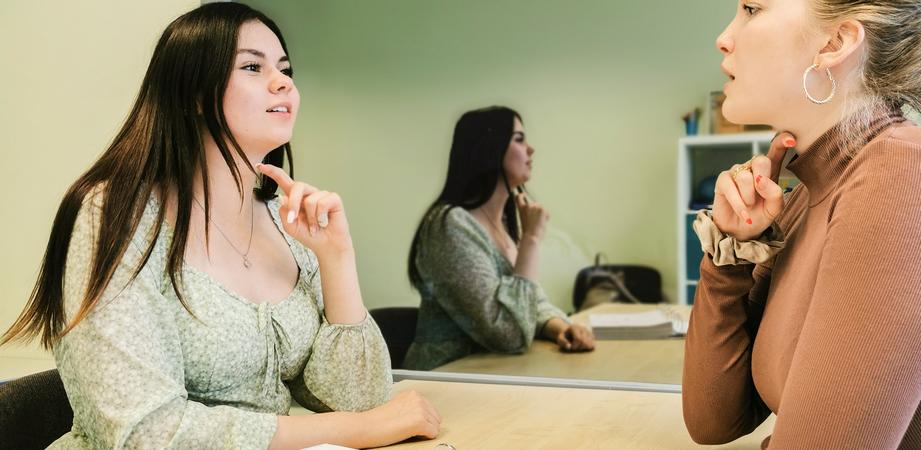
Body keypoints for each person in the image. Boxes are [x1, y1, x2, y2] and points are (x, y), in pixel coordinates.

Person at [0, 3, 440, 448]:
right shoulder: (112, 216)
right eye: (253, 66)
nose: (283, 82)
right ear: (193, 93)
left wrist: (337, 258)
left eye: (285, 69)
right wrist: (351, 431)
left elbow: (360, 400)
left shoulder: (284, 222)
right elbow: (144, 432)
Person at [682, 0, 921, 448]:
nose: (723, 37)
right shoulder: (808, 193)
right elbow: (714, 421)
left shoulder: (912, 176)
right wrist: (732, 253)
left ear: (836, 43)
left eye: (751, 9)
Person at [404, 106, 595, 371]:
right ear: (489, 149)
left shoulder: (503, 222)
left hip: (491, 374)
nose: (530, 149)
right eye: (519, 139)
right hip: (445, 379)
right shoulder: (450, 226)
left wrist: (560, 327)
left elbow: (528, 305)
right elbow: (509, 333)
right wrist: (531, 239)